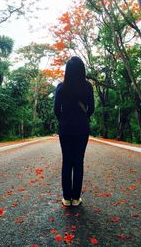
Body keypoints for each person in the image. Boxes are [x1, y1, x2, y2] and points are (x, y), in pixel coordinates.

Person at [54, 56, 95, 206]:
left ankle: (66, 198)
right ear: (82, 70)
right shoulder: (88, 87)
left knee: (67, 162)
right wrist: (82, 118)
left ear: (67, 70)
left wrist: (65, 120)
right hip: (82, 128)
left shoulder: (61, 87)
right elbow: (91, 109)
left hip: (65, 128)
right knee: (78, 162)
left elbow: (56, 110)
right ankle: (76, 198)